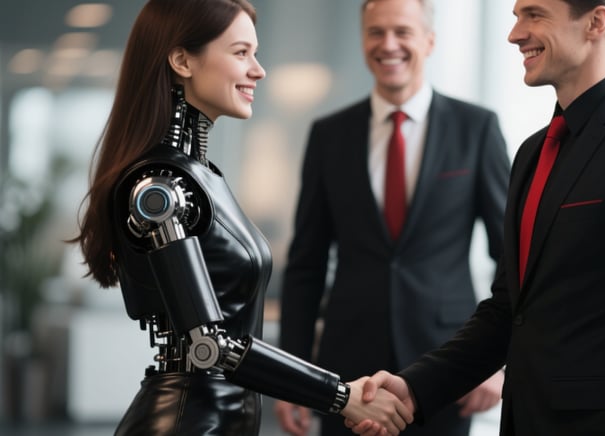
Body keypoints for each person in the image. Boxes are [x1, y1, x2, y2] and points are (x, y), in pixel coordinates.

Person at [351, 0, 605, 435]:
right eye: (515, 16)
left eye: (534, 14)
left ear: (596, 23)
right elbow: (509, 310)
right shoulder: (532, 152)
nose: (515, 33)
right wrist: (415, 387)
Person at [69, 0, 413, 434]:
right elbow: (206, 346)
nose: (258, 70)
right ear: (182, 60)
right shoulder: (159, 187)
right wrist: (340, 396)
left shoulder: (198, 176)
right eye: (240, 52)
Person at [273, 0, 511, 435]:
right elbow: (306, 264)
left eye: (402, 31)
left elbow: (513, 257)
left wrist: (496, 363)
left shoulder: (476, 128)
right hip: (346, 371)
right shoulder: (329, 135)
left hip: (449, 371)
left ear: (429, 40)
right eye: (375, 32)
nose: (388, 45)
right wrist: (294, 378)